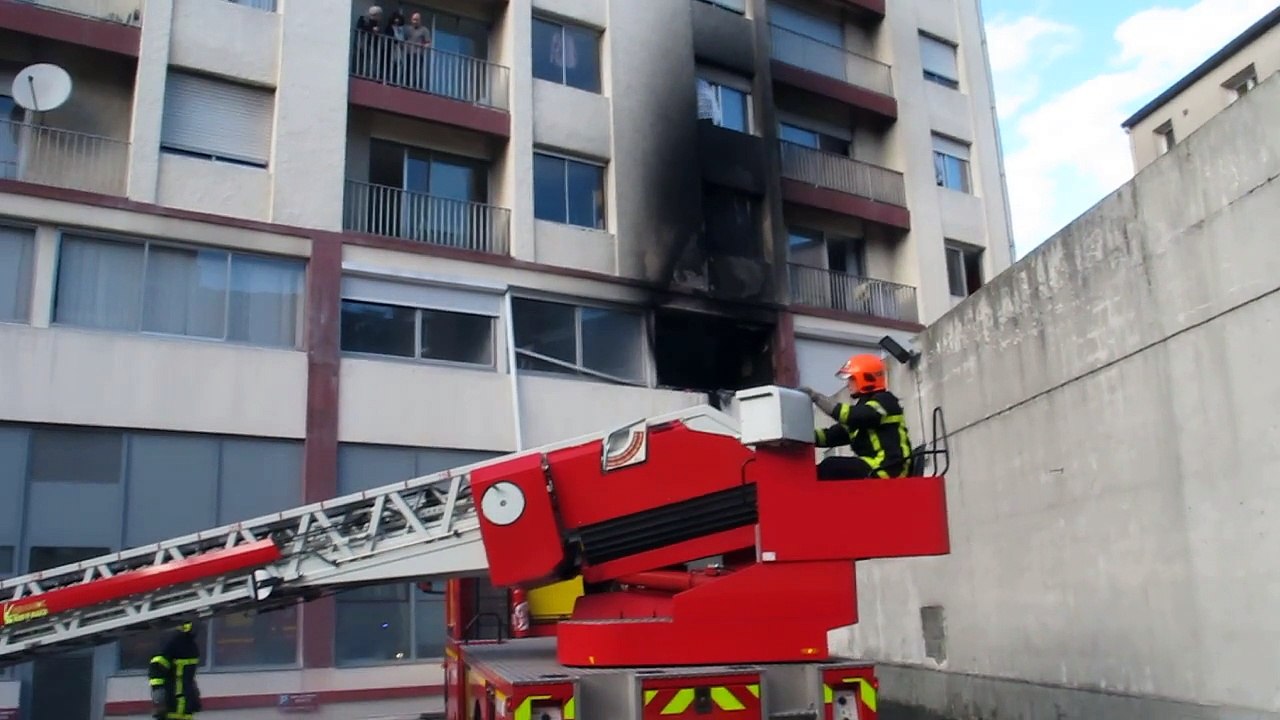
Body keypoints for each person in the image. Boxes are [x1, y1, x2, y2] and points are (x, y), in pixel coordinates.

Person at [799, 353, 913, 480]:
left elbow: (855, 416)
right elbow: (831, 436)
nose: (848, 384)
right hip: (877, 467)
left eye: (852, 379)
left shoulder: (885, 401)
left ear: (866, 378)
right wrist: (799, 436)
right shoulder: (863, 407)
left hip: (890, 469)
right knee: (823, 468)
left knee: (830, 466)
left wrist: (816, 398)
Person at [149, 622, 202, 720]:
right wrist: (159, 697)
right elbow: (157, 669)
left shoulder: (190, 645)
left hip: (184, 706)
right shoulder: (173, 644)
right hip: (172, 704)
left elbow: (188, 676)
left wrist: (194, 693)